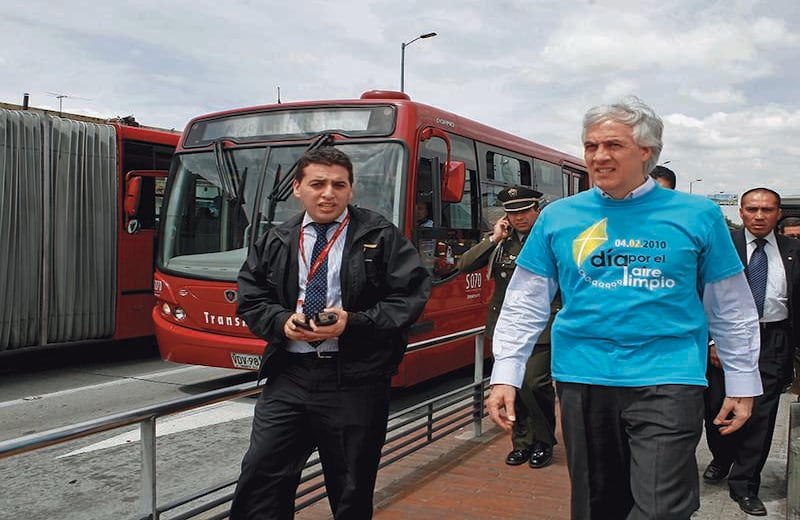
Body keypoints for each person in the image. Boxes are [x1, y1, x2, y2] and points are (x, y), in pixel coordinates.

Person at [486, 97, 763, 519]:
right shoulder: (559, 217)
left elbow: (731, 306)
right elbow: (524, 301)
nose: (598, 156)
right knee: (598, 503)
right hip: (582, 377)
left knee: (663, 507)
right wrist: (506, 373)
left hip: (669, 378)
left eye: (613, 145)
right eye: (590, 145)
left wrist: (742, 381)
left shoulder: (698, 214)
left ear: (647, 151)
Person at [231, 146, 431, 520]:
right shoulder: (278, 238)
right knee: (261, 477)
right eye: (318, 183)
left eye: (339, 184)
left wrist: (353, 323)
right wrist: (281, 322)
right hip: (289, 375)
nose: (328, 193)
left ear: (351, 190)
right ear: (297, 188)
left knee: (351, 488)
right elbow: (251, 296)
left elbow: (411, 296)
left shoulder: (379, 234)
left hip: (354, 380)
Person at [702, 187, 800, 516]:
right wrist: (711, 342)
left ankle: (745, 484)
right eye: (752, 209)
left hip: (773, 341)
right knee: (717, 409)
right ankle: (723, 457)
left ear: (777, 214)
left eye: (767, 210)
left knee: (760, 415)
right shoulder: (720, 245)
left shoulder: (793, 250)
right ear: (741, 212)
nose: (759, 216)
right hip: (726, 340)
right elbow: (700, 292)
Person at [458, 186, 557, 469]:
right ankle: (522, 443)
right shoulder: (503, 241)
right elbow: (465, 265)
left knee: (534, 384)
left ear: (537, 210)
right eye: (512, 213)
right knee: (510, 384)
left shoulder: (548, 238)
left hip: (543, 325)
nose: (519, 218)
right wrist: (494, 237)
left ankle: (543, 441)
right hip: (506, 324)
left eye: (525, 211)